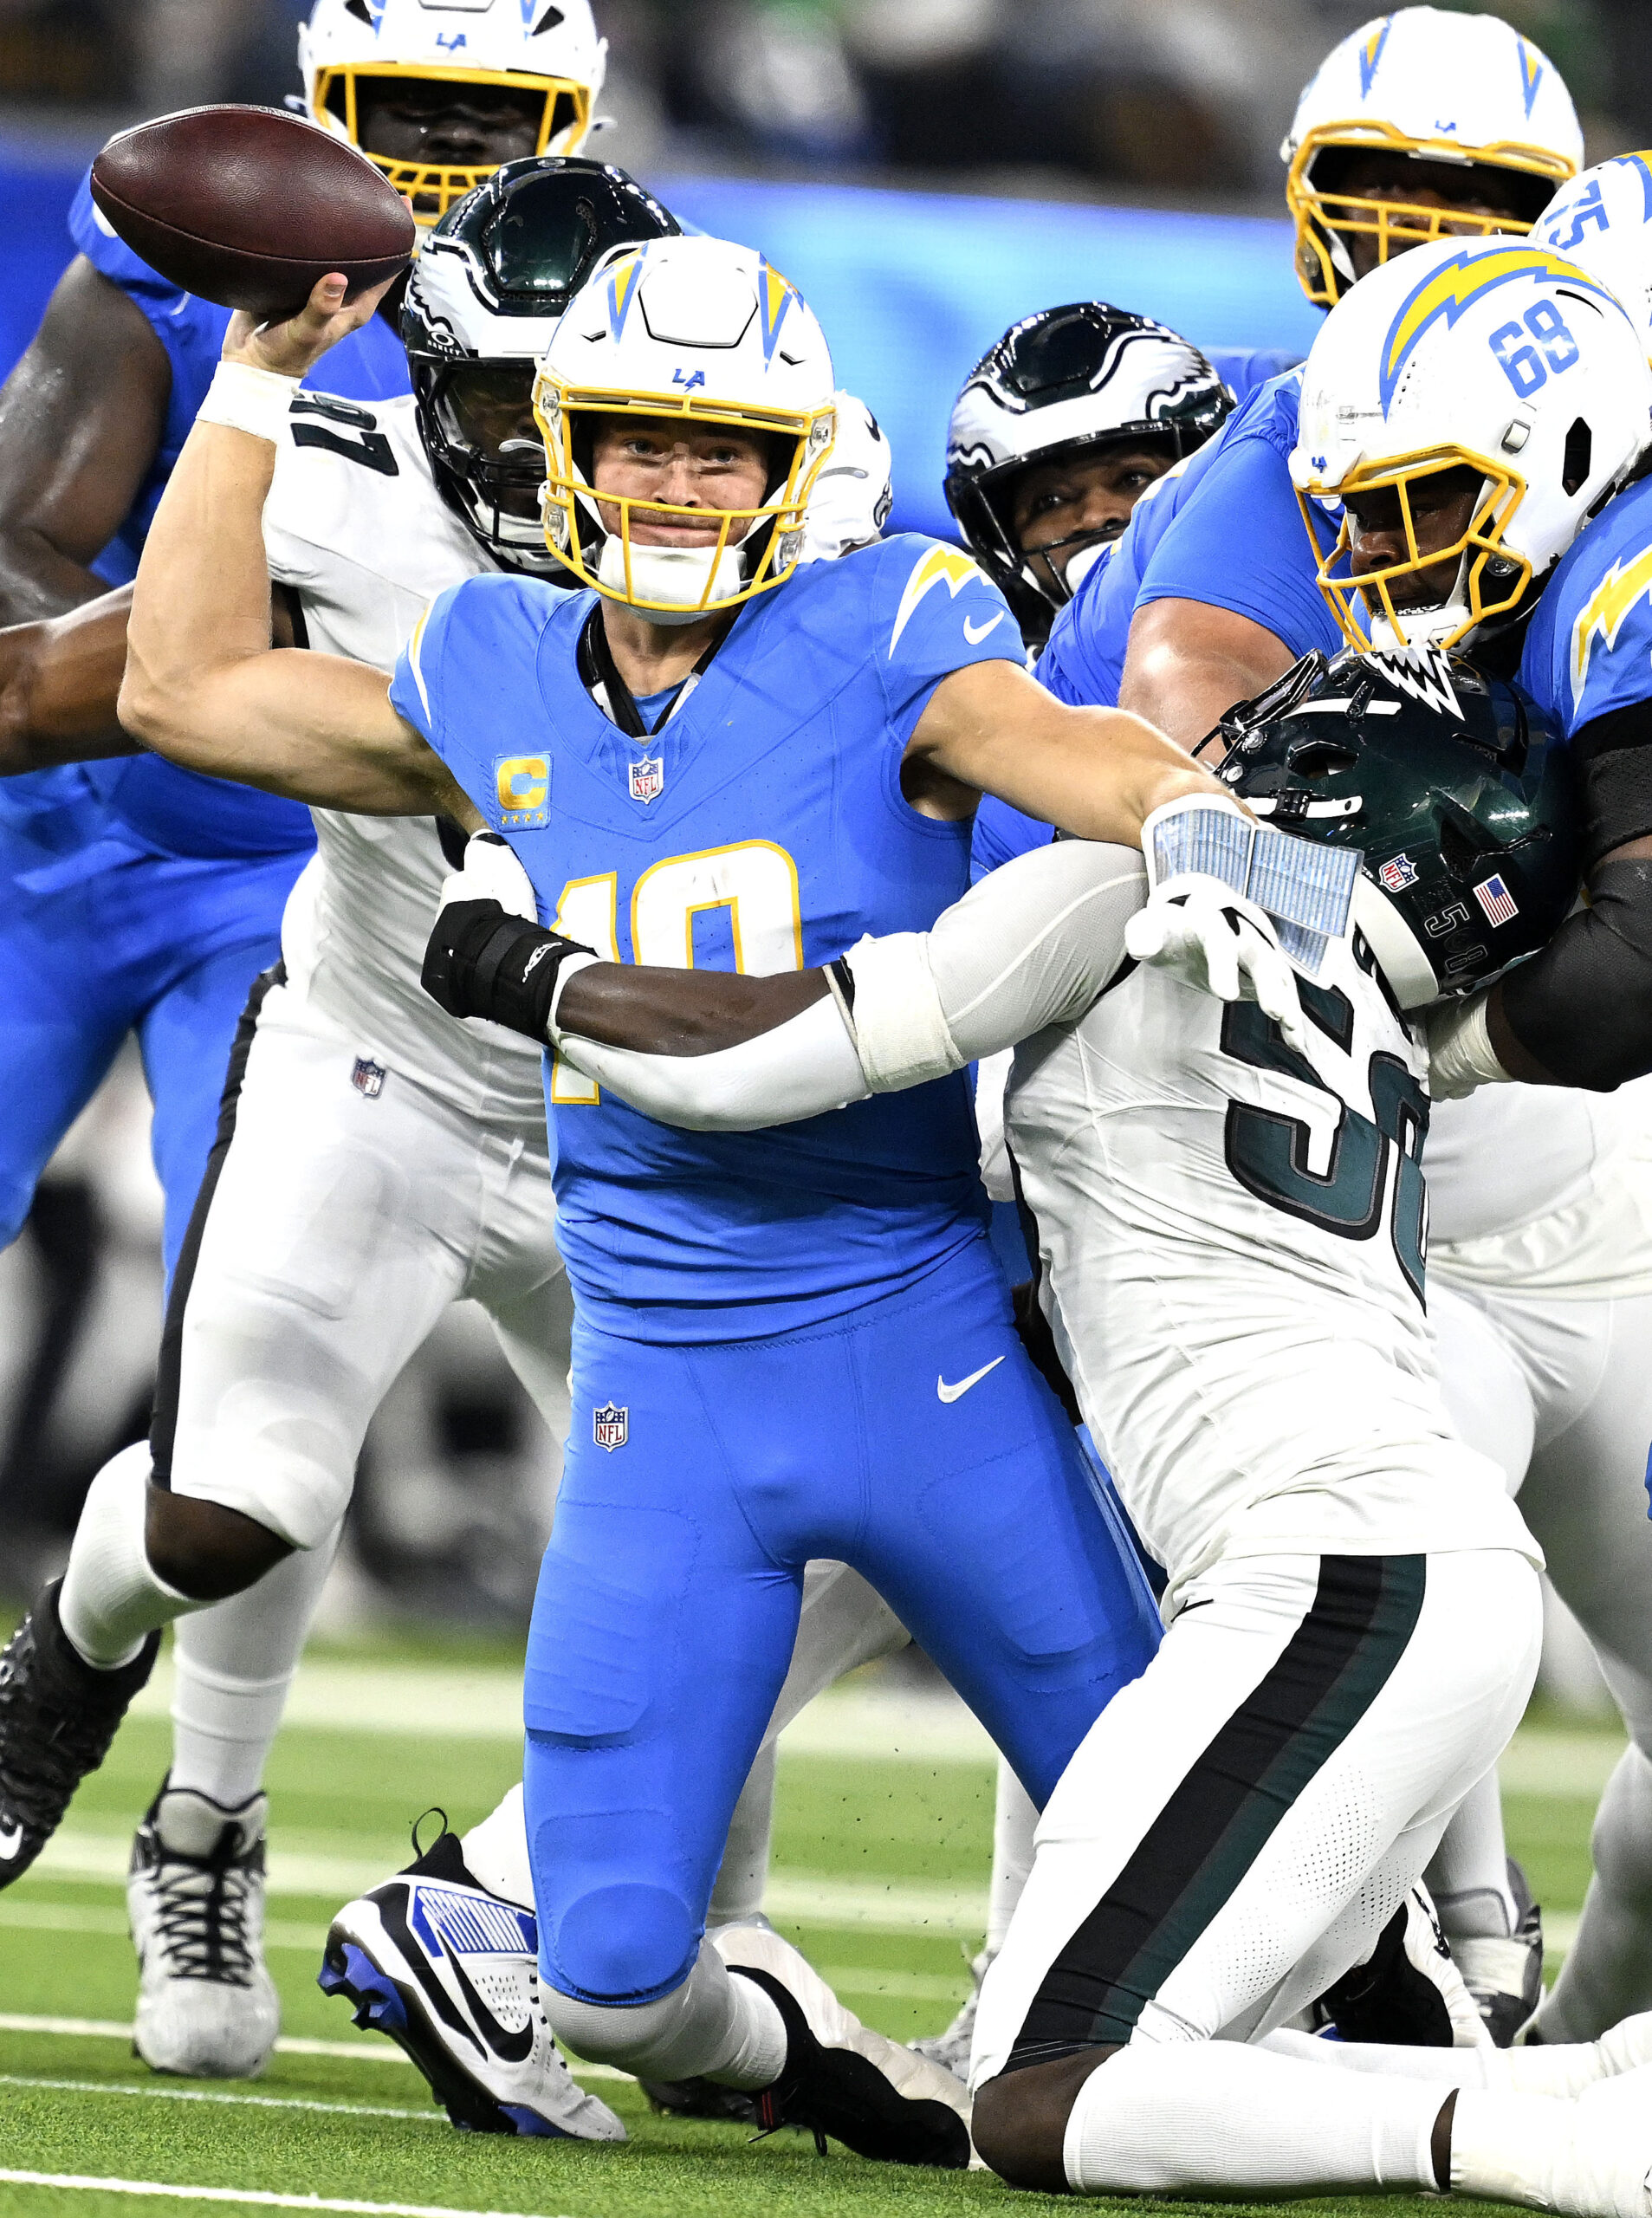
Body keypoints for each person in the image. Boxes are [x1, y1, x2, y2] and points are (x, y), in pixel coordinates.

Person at [0, 229, 1245, 2160]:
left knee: (1207, 1852)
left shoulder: (892, 621)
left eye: (723, 448)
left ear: (789, 463)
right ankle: (849, 2062)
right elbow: (182, 690)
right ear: (571, 446)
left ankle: (1424, 2033)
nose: (683, 483)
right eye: (647, 442)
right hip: (660, 1385)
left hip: (925, 1348)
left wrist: (1234, 819)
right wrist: (245, 382)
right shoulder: (491, 657)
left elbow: (1075, 756)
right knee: (596, 1966)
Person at [450, 650, 1652, 2213]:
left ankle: (1525, 2146)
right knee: (1187, 2037)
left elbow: (759, 1062)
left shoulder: (1119, 895)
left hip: (1335, 1572)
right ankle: (1579, 2086)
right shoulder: (1376, 1019)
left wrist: (521, 968)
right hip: (1398, 1562)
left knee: (1038, 2096)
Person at [0, 161, 906, 2128]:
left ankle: (634, 1925)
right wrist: (240, 402)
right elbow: (117, 682)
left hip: (643, 1121)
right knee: (235, 1493)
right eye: (477, 399)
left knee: (792, 1534)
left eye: (555, 404)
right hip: (385, 1058)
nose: (517, 447)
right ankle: (71, 1662)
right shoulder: (333, 478)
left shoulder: (795, 496)